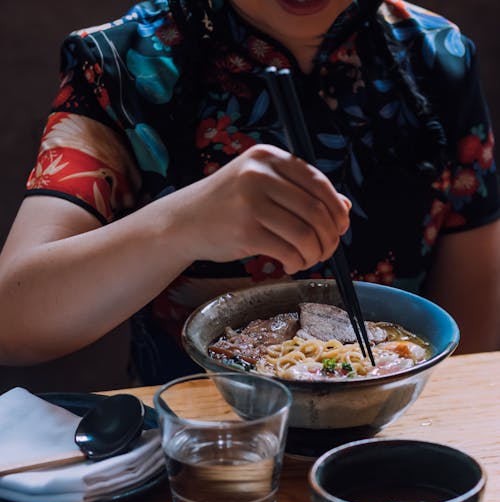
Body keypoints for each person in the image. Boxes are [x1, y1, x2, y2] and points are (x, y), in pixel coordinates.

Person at [0, 0, 499, 385]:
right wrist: (182, 224)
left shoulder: (436, 55)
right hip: (199, 450)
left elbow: (473, 321)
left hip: (396, 433)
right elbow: (13, 321)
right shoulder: (121, 64)